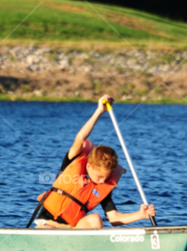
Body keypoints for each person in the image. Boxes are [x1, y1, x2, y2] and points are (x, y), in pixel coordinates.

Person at [35, 96, 156, 229]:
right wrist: (99, 111)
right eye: (100, 176)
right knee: (50, 230)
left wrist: (140, 214)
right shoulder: (72, 162)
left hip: (73, 230)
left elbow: (114, 218)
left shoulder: (101, 187)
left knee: (96, 219)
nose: (103, 181)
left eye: (106, 177)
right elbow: (80, 138)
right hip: (48, 224)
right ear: (89, 166)